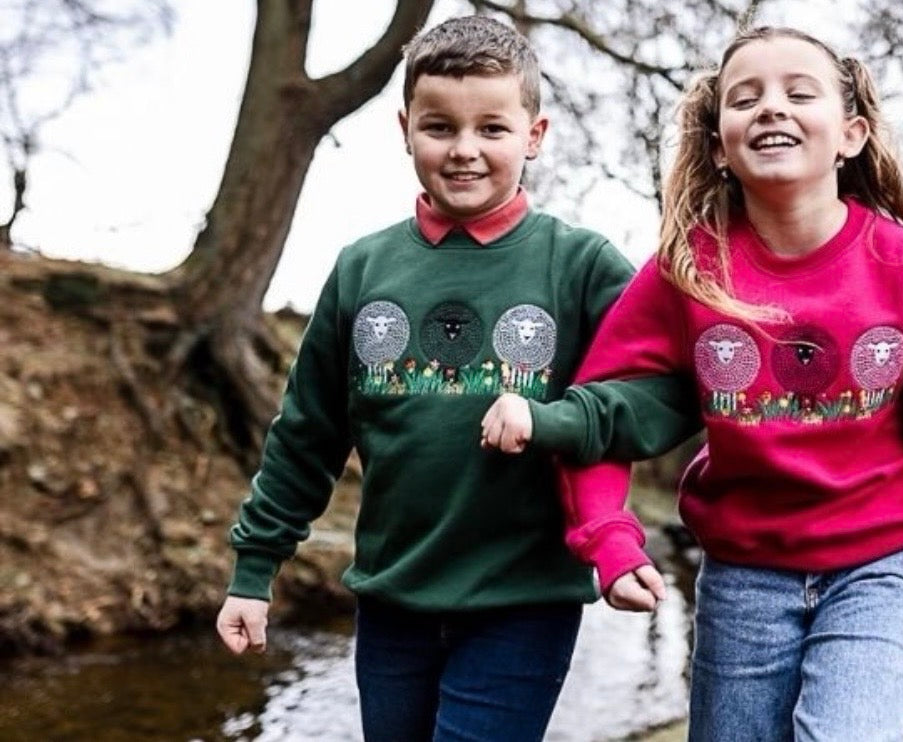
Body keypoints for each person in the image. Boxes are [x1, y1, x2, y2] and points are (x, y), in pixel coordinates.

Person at [480, 26, 903, 741]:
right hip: (743, 575)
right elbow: (600, 412)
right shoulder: (688, 271)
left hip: (878, 567)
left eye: (800, 93)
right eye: (746, 98)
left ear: (851, 134)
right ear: (718, 146)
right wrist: (608, 537)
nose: (771, 107)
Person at [213, 16, 679, 742]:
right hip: (391, 599)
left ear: (534, 134)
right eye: (439, 127)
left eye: (492, 128)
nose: (464, 150)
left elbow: (667, 390)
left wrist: (555, 419)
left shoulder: (581, 265)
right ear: (406, 131)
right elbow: (306, 435)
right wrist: (255, 569)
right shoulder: (362, 269)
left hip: (522, 602)